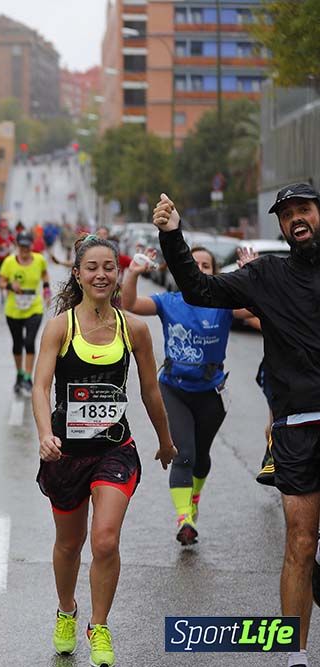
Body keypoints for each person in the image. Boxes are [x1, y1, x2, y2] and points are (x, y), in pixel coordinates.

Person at [154, 184, 320, 667]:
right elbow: (200, 291)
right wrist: (172, 236)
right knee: (300, 542)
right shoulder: (266, 275)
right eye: (287, 214)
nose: (296, 219)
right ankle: (296, 657)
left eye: (303, 210)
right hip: (295, 426)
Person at [32, 235, 176, 667]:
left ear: (118, 273)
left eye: (109, 267)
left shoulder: (134, 328)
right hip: (65, 454)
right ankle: (66, 611)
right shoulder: (61, 326)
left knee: (106, 539)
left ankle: (99, 625)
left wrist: (166, 441)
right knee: (69, 545)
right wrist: (44, 433)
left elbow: (150, 390)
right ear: (77, 274)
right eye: (91, 267)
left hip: (115, 450)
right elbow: (39, 386)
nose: (101, 274)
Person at [121, 246, 258, 545]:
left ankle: (193, 500)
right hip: (174, 389)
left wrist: (254, 273)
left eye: (205, 266)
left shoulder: (224, 305)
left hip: (211, 393)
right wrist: (132, 271)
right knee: (184, 453)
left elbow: (260, 305)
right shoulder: (168, 301)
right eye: (192, 264)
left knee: (201, 456)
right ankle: (185, 518)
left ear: (213, 273)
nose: (197, 270)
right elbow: (128, 302)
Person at [0, 232, 51, 395]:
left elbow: (44, 273)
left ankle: (28, 376)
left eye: (27, 247)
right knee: (17, 343)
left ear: (31, 246)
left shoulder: (39, 260)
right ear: (17, 246)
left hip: (34, 308)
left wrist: (46, 289)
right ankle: (19, 375)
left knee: (29, 341)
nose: (24, 250)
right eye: (21, 247)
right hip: (13, 309)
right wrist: (10, 287)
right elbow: (1, 282)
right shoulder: (9, 262)